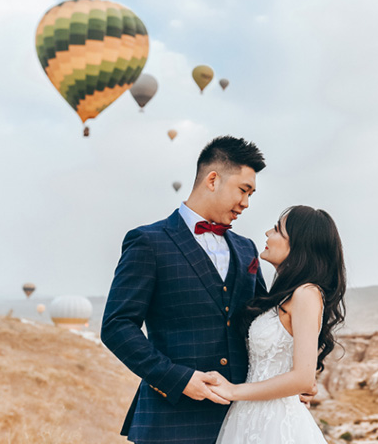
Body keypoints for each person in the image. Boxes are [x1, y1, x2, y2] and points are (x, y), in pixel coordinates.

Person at [102, 136, 272, 444]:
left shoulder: (246, 249)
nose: (246, 203)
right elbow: (117, 326)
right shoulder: (149, 242)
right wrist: (178, 380)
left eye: (251, 194)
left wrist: (287, 382)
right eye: (243, 190)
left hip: (242, 420)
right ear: (212, 179)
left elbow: (262, 323)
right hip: (171, 421)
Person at [209, 204, 347, 444]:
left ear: (299, 243)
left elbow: (303, 378)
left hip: (277, 424)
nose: (267, 234)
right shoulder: (282, 296)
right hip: (246, 418)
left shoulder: (307, 293)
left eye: (277, 230)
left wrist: (233, 391)